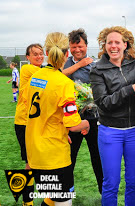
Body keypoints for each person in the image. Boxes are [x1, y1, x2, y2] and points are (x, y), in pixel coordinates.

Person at [25, 32, 90, 206]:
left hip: (35, 151)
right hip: (54, 155)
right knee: (63, 201)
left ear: (46, 52)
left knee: (52, 197)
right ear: (67, 53)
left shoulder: (35, 77)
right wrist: (86, 123)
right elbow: (73, 124)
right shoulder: (64, 83)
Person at [90, 26, 135, 206]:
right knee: (111, 184)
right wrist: (132, 89)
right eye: (109, 43)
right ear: (104, 45)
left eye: (117, 42)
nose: (113, 46)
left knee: (133, 183)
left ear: (125, 44)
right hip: (110, 132)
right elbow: (103, 103)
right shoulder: (97, 69)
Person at [63, 28, 103, 194]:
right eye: (73, 47)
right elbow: (59, 77)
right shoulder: (65, 63)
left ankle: (104, 193)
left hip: (94, 119)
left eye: (80, 46)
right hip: (72, 121)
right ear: (69, 48)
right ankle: (67, 193)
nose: (77, 50)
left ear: (86, 45)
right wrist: (79, 64)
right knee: (68, 158)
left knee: (98, 158)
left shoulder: (96, 64)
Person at [13, 44, 48, 206]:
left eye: (41, 54)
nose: (39, 57)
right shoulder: (28, 70)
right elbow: (55, 76)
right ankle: (28, 202)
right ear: (27, 57)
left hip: (38, 122)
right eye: (35, 54)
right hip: (24, 123)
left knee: (40, 162)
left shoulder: (43, 71)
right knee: (30, 164)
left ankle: (43, 198)